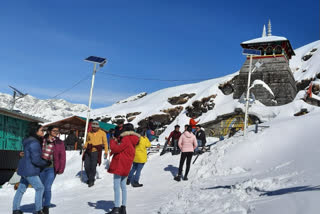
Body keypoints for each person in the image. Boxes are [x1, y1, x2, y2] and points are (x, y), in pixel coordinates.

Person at [12, 123, 49, 214]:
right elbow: (36, 160)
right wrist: (46, 163)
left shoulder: (27, 140)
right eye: (41, 130)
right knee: (40, 188)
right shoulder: (34, 142)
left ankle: (15, 209)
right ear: (35, 131)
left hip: (24, 168)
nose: (43, 132)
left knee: (21, 189)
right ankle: (38, 210)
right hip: (30, 170)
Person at [107, 123, 140, 214]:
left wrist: (112, 141)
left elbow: (116, 149)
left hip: (120, 164)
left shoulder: (126, 138)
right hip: (126, 165)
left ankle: (116, 208)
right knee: (123, 186)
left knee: (116, 186)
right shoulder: (134, 140)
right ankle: (123, 207)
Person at [40, 125, 66, 214]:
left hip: (52, 168)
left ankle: (46, 207)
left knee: (47, 187)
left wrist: (61, 168)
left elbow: (62, 156)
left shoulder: (59, 142)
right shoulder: (42, 140)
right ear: (49, 131)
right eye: (54, 131)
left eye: (57, 131)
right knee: (41, 188)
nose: (56, 132)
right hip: (41, 168)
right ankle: (39, 205)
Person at [83, 121, 108, 187]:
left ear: (98, 127)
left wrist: (106, 152)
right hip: (88, 150)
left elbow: (105, 143)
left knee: (93, 166)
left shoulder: (102, 133)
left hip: (96, 151)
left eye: (95, 127)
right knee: (86, 166)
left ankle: (91, 180)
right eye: (92, 127)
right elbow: (87, 141)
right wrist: (85, 146)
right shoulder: (89, 133)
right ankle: (90, 177)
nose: (93, 128)